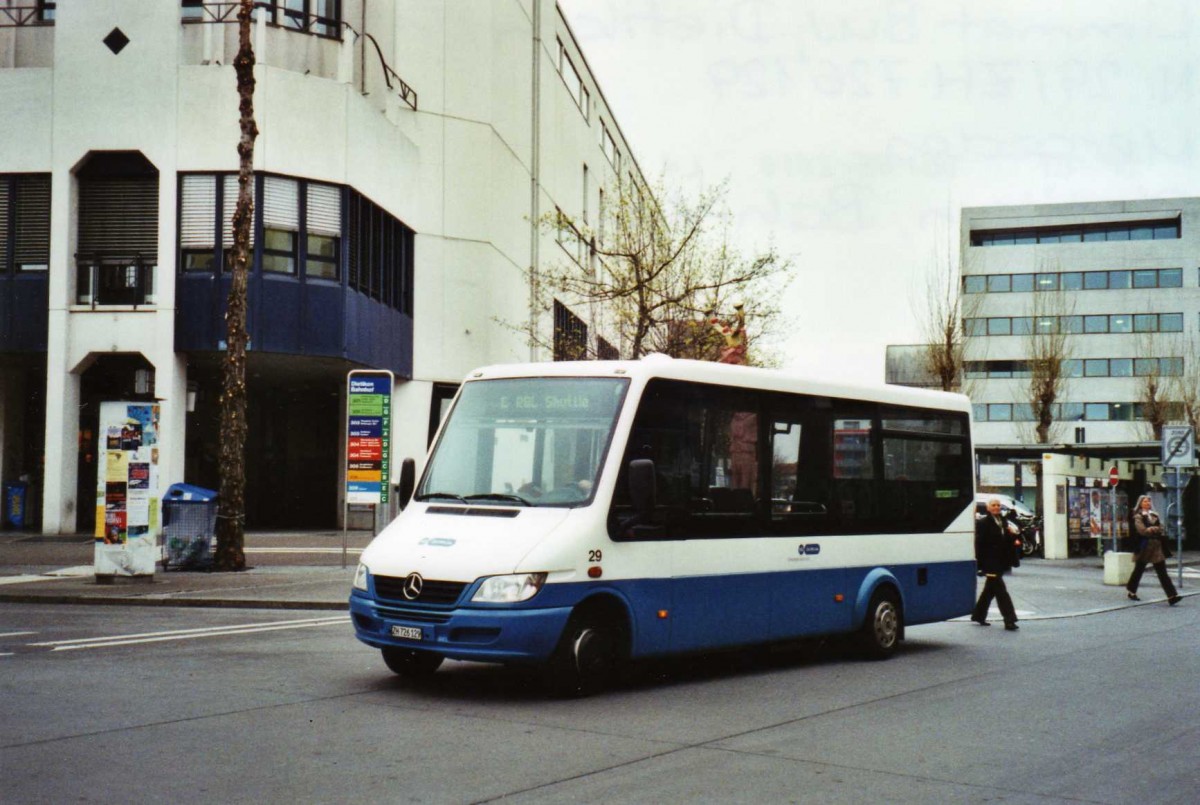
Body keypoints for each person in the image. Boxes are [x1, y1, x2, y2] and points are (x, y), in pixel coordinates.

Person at [972, 498, 1023, 631]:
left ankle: (978, 615)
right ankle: (1010, 619)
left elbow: (1005, 541)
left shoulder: (1003, 521)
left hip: (1000, 561)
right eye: (993, 505)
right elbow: (979, 545)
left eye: (998, 505)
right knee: (1001, 592)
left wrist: (1012, 535)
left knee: (989, 590)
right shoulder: (983, 523)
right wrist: (980, 566)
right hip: (990, 563)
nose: (996, 507)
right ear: (988, 508)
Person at [1126, 495, 1182, 605]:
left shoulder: (1154, 515)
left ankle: (1172, 596)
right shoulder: (1138, 516)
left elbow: (1161, 528)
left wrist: (1152, 529)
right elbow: (1142, 530)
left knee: (1162, 572)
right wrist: (1153, 529)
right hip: (1145, 547)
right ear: (1140, 503)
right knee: (1139, 570)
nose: (1147, 503)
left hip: (1156, 547)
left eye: (1148, 501)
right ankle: (1131, 590)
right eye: (1145, 501)